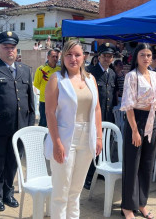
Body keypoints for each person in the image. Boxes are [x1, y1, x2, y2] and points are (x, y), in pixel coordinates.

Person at [43, 40, 102, 218]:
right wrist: (56, 143)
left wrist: (98, 137)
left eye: (77, 54)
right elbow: (50, 113)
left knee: (75, 191)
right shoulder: (57, 79)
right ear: (62, 57)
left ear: (84, 57)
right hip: (65, 136)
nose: (73, 58)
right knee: (61, 191)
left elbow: (97, 108)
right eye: (68, 54)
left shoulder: (90, 79)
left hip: (86, 137)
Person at [0, 31, 36, 211]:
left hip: (20, 125)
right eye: (6, 47)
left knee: (13, 162)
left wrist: (30, 123)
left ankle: (8, 193)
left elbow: (29, 99)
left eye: (12, 47)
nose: (10, 50)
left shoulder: (25, 69)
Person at [120, 43, 156, 219]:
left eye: (149, 55)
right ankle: (127, 206)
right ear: (136, 57)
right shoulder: (131, 76)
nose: (147, 58)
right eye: (143, 55)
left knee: (146, 164)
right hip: (135, 120)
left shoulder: (155, 75)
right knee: (132, 164)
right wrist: (134, 131)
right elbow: (128, 106)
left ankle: (141, 203)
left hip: (152, 120)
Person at [84, 43, 118, 189]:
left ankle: (100, 172)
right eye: (104, 55)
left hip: (108, 116)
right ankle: (88, 176)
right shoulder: (89, 72)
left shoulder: (112, 74)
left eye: (109, 56)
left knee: (104, 146)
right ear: (99, 57)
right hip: (93, 117)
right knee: (92, 146)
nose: (106, 58)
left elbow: (113, 96)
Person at [33, 49, 61, 127]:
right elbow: (36, 84)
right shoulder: (41, 69)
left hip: (57, 100)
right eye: (53, 57)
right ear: (48, 57)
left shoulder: (60, 69)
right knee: (43, 122)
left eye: (56, 57)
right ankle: (41, 138)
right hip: (44, 100)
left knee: (55, 122)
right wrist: (46, 91)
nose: (55, 58)